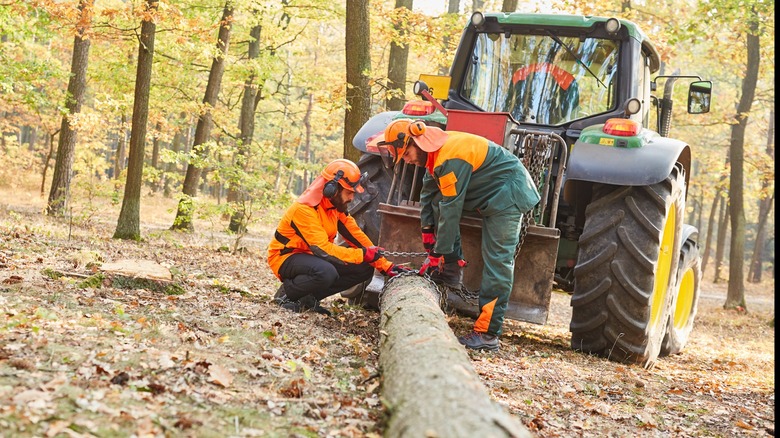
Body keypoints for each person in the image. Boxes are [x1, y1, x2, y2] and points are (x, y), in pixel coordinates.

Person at [369, 119, 540, 350]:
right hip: (488, 193)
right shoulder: (434, 156)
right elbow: (430, 197)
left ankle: (488, 335)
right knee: (439, 203)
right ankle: (451, 269)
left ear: (416, 141)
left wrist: (438, 253)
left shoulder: (450, 157)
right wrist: (429, 239)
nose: (406, 160)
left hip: (510, 193)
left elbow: (451, 209)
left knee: (498, 262)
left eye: (407, 153)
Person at [267, 158, 410, 316]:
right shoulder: (304, 210)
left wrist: (384, 265)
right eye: (349, 192)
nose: (351, 198)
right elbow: (323, 250)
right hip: (286, 257)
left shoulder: (335, 208)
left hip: (312, 256)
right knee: (326, 272)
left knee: (364, 267)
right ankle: (286, 296)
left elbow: (356, 236)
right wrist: (363, 254)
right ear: (332, 189)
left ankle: (308, 299)